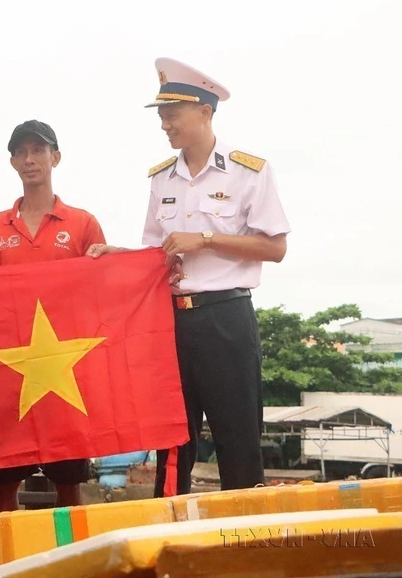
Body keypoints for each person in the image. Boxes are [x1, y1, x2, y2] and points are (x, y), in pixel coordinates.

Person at [87, 57, 290, 496]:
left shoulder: (248, 171)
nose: (164, 124)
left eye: (172, 113)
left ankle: (248, 541)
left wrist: (207, 239)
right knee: (173, 440)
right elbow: (158, 253)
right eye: (161, 115)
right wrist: (117, 254)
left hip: (226, 318)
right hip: (172, 321)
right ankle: (170, 536)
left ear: (205, 110)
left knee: (237, 438)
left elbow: (275, 247)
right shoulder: (162, 179)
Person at [0, 120, 106, 512]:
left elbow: (104, 291)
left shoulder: (83, 223)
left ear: (55, 157)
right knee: (5, 482)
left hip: (66, 368)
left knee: (69, 484)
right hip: (11, 371)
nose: (30, 159)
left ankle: (73, 560)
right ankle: (8, 564)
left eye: (38, 150)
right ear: (12, 162)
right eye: (21, 152)